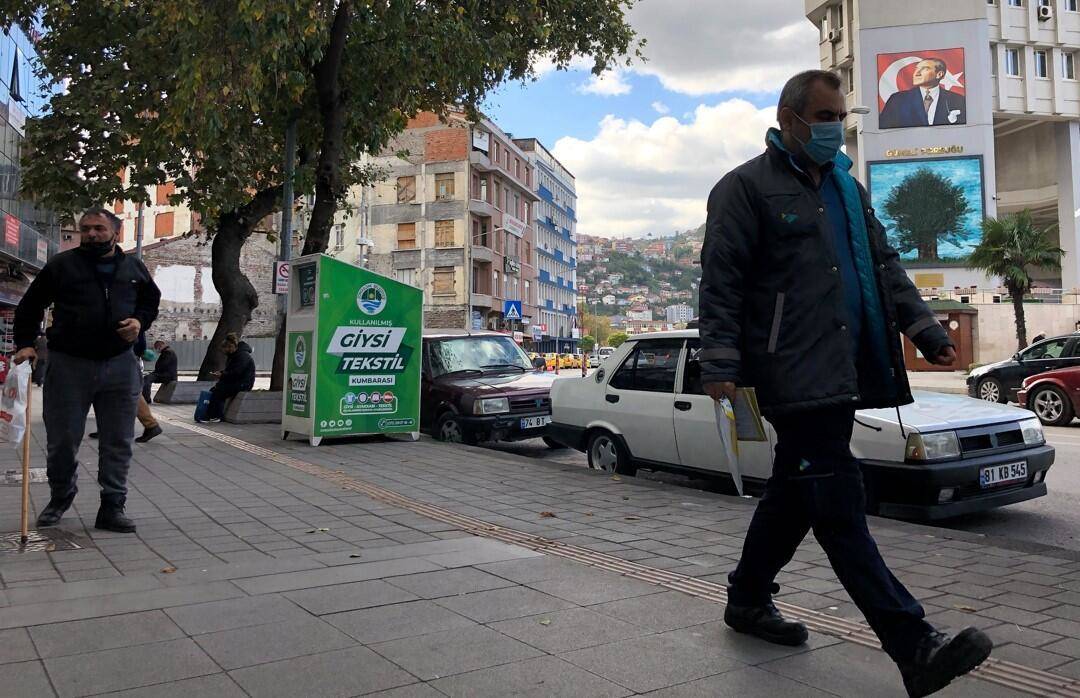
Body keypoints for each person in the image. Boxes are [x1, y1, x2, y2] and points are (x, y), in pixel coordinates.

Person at [698, 70, 991, 697]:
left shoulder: (848, 190)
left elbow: (883, 266)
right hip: (789, 371)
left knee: (794, 492)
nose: (835, 129)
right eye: (825, 116)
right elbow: (720, 283)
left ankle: (747, 599)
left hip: (847, 367)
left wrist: (926, 329)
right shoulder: (743, 189)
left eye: (840, 118)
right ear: (789, 117)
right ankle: (913, 645)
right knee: (837, 500)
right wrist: (719, 364)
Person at [12, 206, 161, 533]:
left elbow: (151, 301)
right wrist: (24, 343)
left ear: (115, 233)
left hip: (120, 365)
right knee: (62, 440)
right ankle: (61, 494)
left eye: (99, 228)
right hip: (69, 365)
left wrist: (139, 321)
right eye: (86, 229)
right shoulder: (62, 266)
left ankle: (112, 506)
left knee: (118, 440)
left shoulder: (133, 267)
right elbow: (30, 305)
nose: (91, 234)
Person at [879, 58, 967, 129]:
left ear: (939, 74)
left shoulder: (958, 100)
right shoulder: (897, 100)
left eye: (925, 68)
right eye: (916, 69)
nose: (916, 73)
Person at [200, 332, 255, 422]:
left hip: (244, 383)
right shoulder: (234, 355)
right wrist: (221, 373)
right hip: (237, 381)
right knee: (214, 390)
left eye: (224, 350)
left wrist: (222, 375)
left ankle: (215, 416)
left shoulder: (242, 356)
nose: (224, 353)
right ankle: (209, 414)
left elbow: (236, 372)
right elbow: (231, 370)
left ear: (230, 347)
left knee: (219, 391)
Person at [143, 339, 177, 403]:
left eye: (157, 347)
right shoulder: (167, 351)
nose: (157, 350)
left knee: (147, 379)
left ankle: (146, 399)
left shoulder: (168, 352)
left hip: (167, 375)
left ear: (161, 345)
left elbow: (163, 365)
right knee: (148, 377)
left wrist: (154, 373)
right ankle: (146, 398)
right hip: (165, 374)